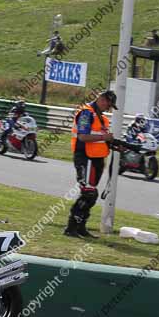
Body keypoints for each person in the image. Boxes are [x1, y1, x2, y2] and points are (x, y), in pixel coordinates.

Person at [66, 90, 118, 239]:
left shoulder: (102, 118)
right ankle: (71, 227)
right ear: (101, 99)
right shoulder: (86, 113)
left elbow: (102, 140)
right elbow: (83, 136)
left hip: (97, 159)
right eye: (108, 104)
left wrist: (114, 144)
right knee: (89, 193)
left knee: (91, 194)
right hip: (85, 157)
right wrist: (104, 136)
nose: (108, 108)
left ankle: (81, 228)